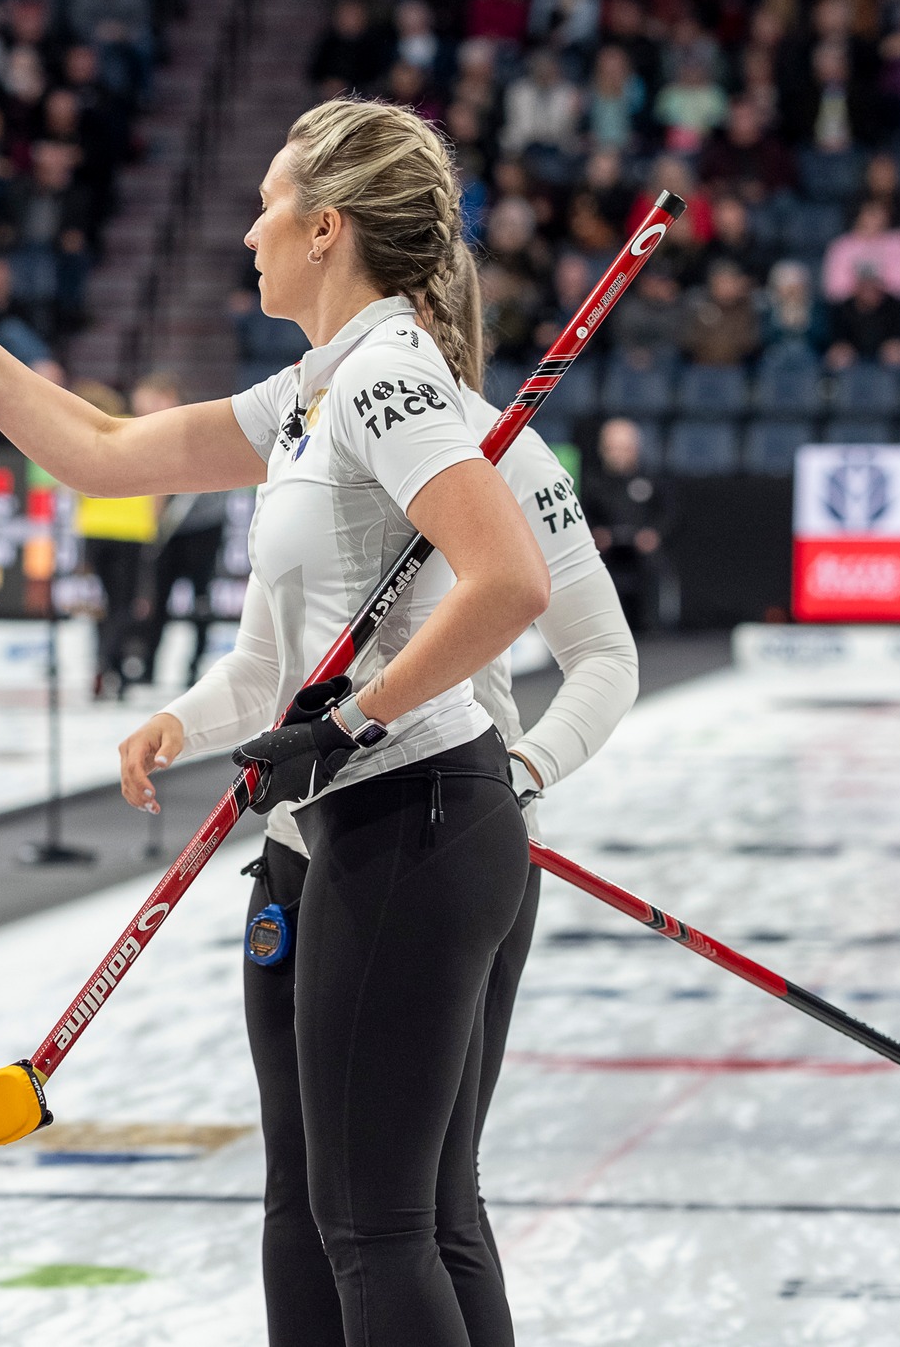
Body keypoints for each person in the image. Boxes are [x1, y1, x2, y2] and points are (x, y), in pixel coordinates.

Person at [0, 97, 551, 1345]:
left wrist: (347, 725)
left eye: (267, 203)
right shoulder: (317, 388)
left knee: (376, 1231)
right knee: (386, 1222)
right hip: (394, 824)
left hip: (414, 816)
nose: (246, 231)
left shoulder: (386, 379)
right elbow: (102, 450)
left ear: (324, 228)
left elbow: (509, 582)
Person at [121, 275, 639, 1345]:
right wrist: (180, 720)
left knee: (418, 1209)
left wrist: (523, 772)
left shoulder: (501, 448)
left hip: (431, 816)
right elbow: (273, 665)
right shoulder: (309, 423)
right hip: (300, 838)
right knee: (305, 1195)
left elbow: (602, 654)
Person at [136, 372, 230, 686]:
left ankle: (194, 666)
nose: (145, 409)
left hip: (204, 527)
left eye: (153, 400)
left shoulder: (194, 426)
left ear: (171, 398)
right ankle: (148, 667)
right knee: (158, 599)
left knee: (201, 599)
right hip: (168, 533)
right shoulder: (146, 433)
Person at [71, 380, 160, 699]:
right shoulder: (135, 429)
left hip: (94, 529)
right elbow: (157, 483)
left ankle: (112, 669)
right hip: (130, 531)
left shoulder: (83, 436)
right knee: (123, 606)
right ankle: (107, 663)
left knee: (103, 607)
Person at [581, 417, 674, 632]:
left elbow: (669, 512)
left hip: (641, 548)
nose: (618, 454)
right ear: (602, 449)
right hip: (606, 549)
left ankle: (654, 627)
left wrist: (655, 533)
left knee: (655, 564)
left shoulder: (652, 478)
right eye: (612, 448)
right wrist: (594, 533)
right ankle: (600, 626)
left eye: (624, 448)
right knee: (589, 565)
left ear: (636, 449)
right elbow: (582, 514)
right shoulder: (591, 481)